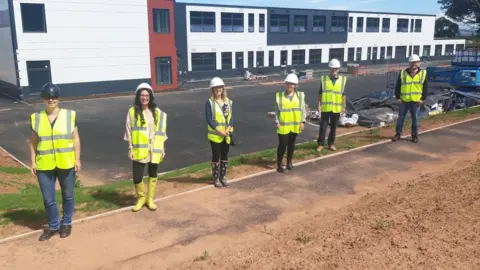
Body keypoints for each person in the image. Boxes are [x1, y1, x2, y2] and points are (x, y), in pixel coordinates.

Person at [28, 83, 81, 241]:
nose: (51, 100)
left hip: (66, 162)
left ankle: (66, 224)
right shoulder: (36, 118)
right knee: (48, 198)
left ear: (59, 98)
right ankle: (53, 226)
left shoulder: (69, 115)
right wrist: (33, 161)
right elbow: (32, 141)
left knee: (68, 195)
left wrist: (77, 159)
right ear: (43, 99)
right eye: (48, 97)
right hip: (44, 164)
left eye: (54, 97)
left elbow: (75, 138)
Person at [124, 83, 167, 212]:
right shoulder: (132, 112)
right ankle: (141, 198)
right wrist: (130, 148)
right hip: (139, 149)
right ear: (138, 97)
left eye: (147, 95)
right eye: (142, 95)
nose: (144, 98)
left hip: (154, 149)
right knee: (137, 176)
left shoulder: (157, 112)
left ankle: (150, 199)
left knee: (153, 174)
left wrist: (162, 148)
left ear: (150, 97)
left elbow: (161, 131)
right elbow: (128, 130)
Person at [391, 54, 428, 143]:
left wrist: (422, 99)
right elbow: (398, 86)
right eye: (412, 62)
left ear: (418, 63)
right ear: (409, 63)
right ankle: (398, 134)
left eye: (415, 62)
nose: (413, 64)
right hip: (404, 100)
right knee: (401, 118)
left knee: (415, 119)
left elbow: (425, 87)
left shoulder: (423, 73)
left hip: (416, 101)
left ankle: (414, 135)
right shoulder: (403, 73)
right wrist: (398, 97)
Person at [274, 73, 306, 173]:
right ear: (285, 84)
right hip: (283, 125)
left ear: (295, 85)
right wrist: (277, 121)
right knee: (283, 144)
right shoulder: (279, 96)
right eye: (288, 83)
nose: (290, 86)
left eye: (292, 84)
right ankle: (279, 164)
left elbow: (303, 110)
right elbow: (276, 111)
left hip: (295, 125)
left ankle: (289, 162)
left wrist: (302, 121)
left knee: (291, 145)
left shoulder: (300, 96)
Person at [206, 77, 233, 188]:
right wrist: (219, 131)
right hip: (215, 135)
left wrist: (227, 130)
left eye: (220, 87)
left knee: (225, 155)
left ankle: (223, 177)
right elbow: (209, 119)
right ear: (212, 89)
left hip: (226, 134)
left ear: (223, 88)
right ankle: (215, 177)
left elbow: (231, 118)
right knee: (216, 155)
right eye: (216, 88)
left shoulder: (228, 102)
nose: (218, 89)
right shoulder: (209, 103)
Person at [316, 59, 347, 152]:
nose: (334, 70)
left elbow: (343, 94)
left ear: (338, 69)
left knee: (333, 127)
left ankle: (331, 144)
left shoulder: (342, 80)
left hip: (336, 107)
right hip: (326, 107)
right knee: (323, 126)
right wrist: (319, 104)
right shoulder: (324, 79)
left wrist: (344, 106)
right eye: (332, 69)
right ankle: (320, 144)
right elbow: (320, 93)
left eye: (336, 69)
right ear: (330, 69)